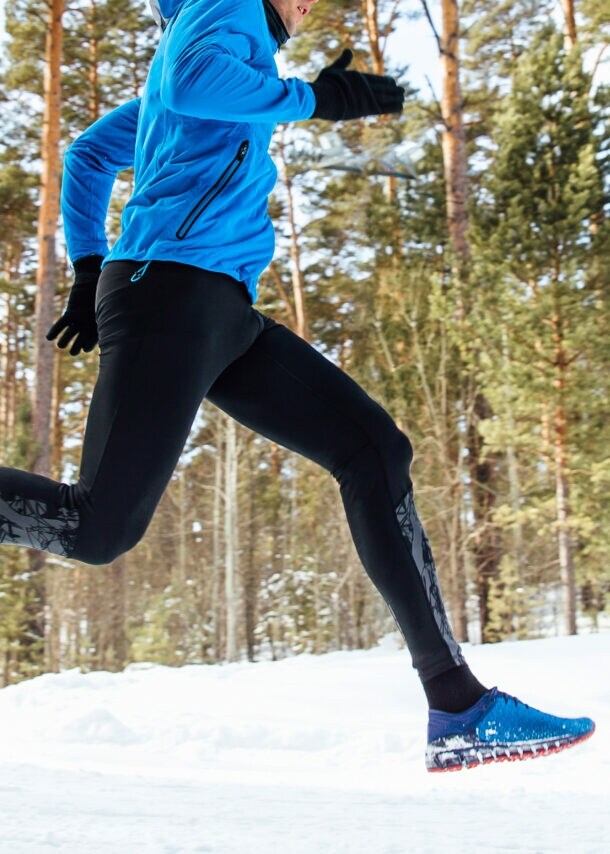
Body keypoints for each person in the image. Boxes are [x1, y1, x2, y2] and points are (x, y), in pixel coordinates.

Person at [0, 0, 594, 771]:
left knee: (374, 451)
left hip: (217, 307)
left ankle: (457, 705)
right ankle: (457, 704)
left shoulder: (238, 48)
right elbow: (188, 80)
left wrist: (87, 266)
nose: (311, 2)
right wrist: (315, 99)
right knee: (98, 529)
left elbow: (89, 152)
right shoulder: (227, 9)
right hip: (169, 295)